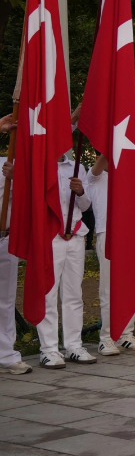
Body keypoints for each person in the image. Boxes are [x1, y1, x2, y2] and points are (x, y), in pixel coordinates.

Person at [33, 149, 95, 368]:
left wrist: (80, 192)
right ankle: (48, 349)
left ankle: (73, 345)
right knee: (49, 292)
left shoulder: (77, 167)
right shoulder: (40, 165)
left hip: (75, 234)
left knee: (73, 294)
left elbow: (87, 205)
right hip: (51, 237)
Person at [87, 155, 135, 354]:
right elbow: (100, 163)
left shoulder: (130, 176)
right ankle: (106, 338)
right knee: (109, 289)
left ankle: (125, 334)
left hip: (132, 233)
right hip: (109, 233)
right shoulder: (96, 175)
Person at [0, 117, 29, 374]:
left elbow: (29, 199)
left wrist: (16, 178)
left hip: (6, 238)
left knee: (6, 300)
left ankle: (7, 354)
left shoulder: (13, 165)